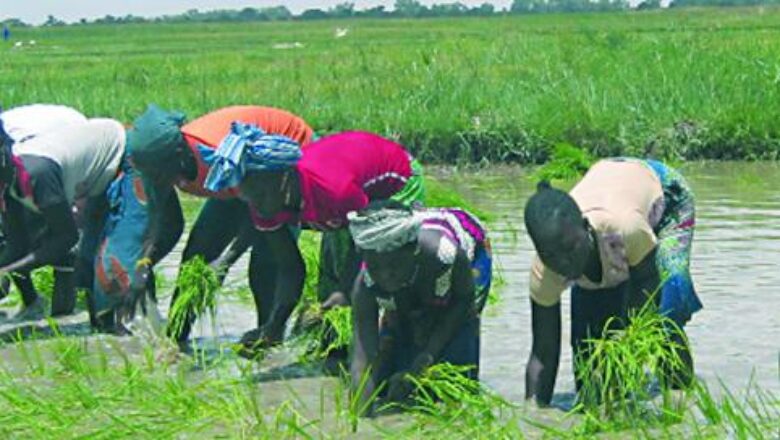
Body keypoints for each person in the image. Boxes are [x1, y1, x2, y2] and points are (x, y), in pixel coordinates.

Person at [204, 130, 424, 355]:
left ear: (284, 177)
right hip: (346, 201)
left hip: (396, 180)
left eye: (261, 194)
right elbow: (290, 267)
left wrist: (344, 293)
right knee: (331, 291)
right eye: (249, 197)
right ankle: (338, 350)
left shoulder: (333, 189)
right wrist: (274, 326)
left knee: (384, 271)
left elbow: (363, 244)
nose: (257, 205)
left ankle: (395, 344)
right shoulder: (263, 202)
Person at [125, 105, 314, 345]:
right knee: (196, 255)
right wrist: (143, 265)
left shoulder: (216, 155)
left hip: (277, 164)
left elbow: (259, 216)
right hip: (236, 182)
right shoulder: (155, 165)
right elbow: (161, 223)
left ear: (179, 156)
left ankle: (267, 338)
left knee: (266, 259)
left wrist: (225, 263)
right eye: (150, 176)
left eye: (160, 175)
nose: (157, 181)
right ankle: (175, 341)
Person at [523, 158, 701, 406]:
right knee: (590, 379)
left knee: (667, 304)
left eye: (570, 249)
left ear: (586, 229)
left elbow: (648, 283)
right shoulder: (546, 270)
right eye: (551, 255)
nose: (565, 263)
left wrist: (623, 341)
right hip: (607, 189)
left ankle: (680, 392)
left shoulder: (626, 229)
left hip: (663, 195)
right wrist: (532, 412)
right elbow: (543, 351)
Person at [347, 201, 491, 411]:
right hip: (415, 283)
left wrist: (426, 357)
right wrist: (358, 417)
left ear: (413, 250)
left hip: (462, 276)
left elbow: (463, 302)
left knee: (454, 377)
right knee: (387, 382)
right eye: (376, 266)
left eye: (394, 265)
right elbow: (363, 360)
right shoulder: (366, 286)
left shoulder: (445, 255)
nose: (386, 274)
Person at [0, 113, 125, 321]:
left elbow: (67, 237)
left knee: (96, 257)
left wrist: (8, 270)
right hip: (67, 157)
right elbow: (17, 244)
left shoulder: (36, 176)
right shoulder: (10, 184)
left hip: (116, 155)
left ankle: (125, 327)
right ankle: (54, 312)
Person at [0, 104, 88, 302]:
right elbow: (15, 240)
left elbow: (66, 235)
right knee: (13, 235)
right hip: (33, 154)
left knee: (57, 234)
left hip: (67, 140)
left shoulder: (25, 162)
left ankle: (62, 306)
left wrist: (5, 269)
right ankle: (32, 303)